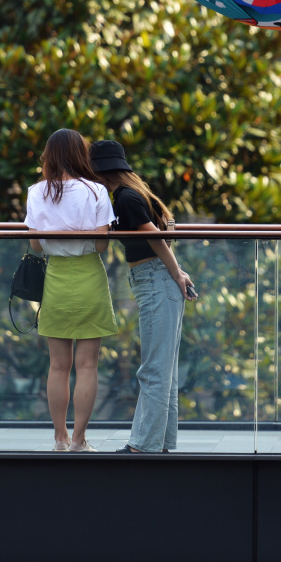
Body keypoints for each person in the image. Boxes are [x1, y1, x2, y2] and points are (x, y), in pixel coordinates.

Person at [89, 139, 196, 454]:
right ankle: (160, 442)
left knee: (154, 369)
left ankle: (143, 445)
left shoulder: (126, 198)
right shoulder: (131, 195)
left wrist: (177, 274)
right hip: (154, 279)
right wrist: (176, 273)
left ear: (101, 172)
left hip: (156, 279)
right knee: (163, 369)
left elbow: (155, 237)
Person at [24, 129, 116, 452]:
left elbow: (35, 245)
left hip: (56, 278)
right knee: (87, 365)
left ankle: (59, 438)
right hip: (89, 274)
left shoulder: (36, 192)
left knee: (58, 366)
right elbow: (102, 245)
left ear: (49, 156)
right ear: (81, 155)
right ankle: (79, 440)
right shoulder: (96, 191)